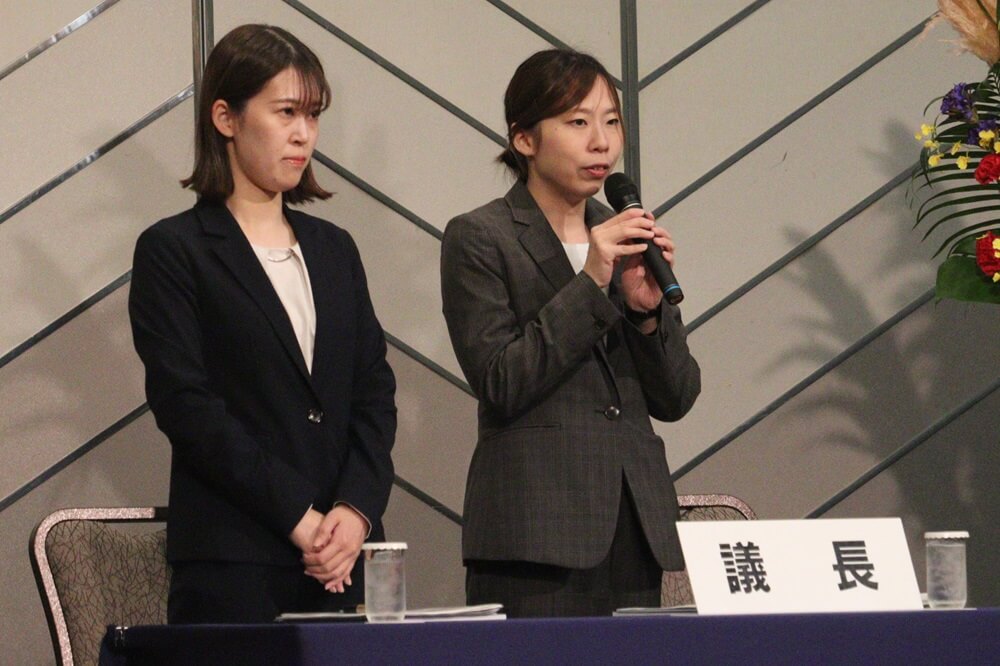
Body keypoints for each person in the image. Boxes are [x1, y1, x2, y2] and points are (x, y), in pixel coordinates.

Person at [128, 24, 396, 623]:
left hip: (346, 561)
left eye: (313, 115)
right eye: (286, 112)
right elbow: (186, 406)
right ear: (226, 117)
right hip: (235, 562)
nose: (304, 134)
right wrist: (300, 518)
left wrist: (354, 511)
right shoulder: (174, 249)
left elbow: (374, 393)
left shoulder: (335, 248)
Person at [440, 49, 701, 617]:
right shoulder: (480, 237)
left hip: (634, 526)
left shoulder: (627, 237)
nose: (601, 142)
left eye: (611, 122)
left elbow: (676, 397)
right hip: (533, 537)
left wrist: (645, 315)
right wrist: (591, 283)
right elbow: (501, 380)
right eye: (578, 122)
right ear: (524, 138)